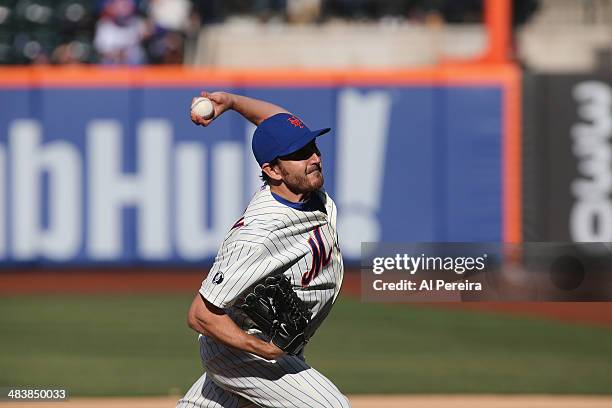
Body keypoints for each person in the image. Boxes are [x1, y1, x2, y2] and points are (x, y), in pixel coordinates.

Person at [177, 91, 350, 408]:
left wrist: (230, 102)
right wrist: (264, 350)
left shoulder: (302, 185)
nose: (314, 158)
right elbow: (200, 315)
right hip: (242, 352)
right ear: (272, 170)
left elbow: (276, 122)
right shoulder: (260, 232)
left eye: (313, 147)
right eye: (301, 153)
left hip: (258, 346)